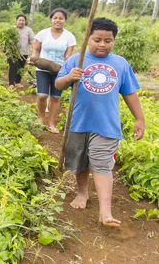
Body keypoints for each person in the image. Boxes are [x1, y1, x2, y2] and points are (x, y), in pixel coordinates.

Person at [55, 17, 145, 228]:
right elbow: (58, 85)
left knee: (102, 163)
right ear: (88, 37)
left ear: (114, 41)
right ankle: (82, 193)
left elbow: (130, 93)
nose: (102, 44)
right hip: (77, 123)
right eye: (97, 39)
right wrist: (69, 77)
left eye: (108, 40)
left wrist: (139, 118)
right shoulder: (76, 61)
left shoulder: (120, 64)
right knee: (80, 162)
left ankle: (105, 212)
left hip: (106, 125)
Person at [31, 8, 76, 133]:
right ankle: (41, 118)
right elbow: (36, 49)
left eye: (61, 18)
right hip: (42, 67)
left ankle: (51, 123)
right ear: (51, 19)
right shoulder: (42, 33)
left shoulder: (70, 37)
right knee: (42, 95)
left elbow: (68, 56)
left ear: (65, 20)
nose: (58, 20)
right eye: (55, 18)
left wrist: (69, 69)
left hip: (59, 69)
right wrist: (33, 58)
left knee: (55, 97)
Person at [7, 14, 35, 89]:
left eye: (23, 20)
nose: (21, 22)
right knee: (13, 67)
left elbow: (32, 40)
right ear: (16, 21)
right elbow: (6, 41)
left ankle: (18, 82)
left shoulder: (28, 30)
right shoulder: (11, 29)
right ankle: (11, 83)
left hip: (24, 52)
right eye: (20, 20)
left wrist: (33, 50)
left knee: (21, 67)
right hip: (12, 52)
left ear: (25, 22)